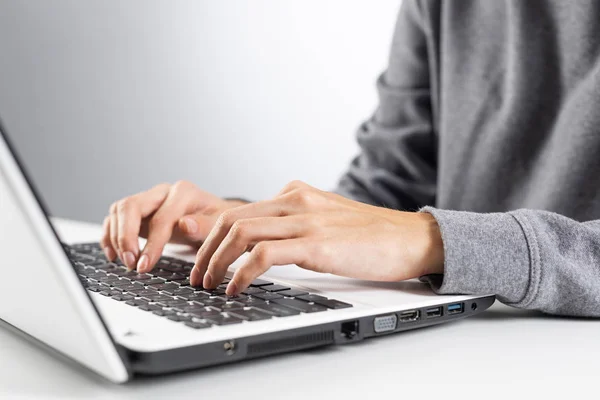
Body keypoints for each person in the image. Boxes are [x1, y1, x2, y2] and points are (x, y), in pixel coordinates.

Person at [100, 1, 600, 317]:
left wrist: (436, 240)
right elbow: (386, 192)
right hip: (466, 351)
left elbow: (405, 233)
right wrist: (247, 224)